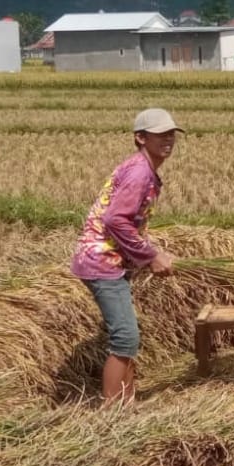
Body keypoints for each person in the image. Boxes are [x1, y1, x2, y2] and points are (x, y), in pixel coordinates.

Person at [70, 108, 181, 404]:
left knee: (128, 337)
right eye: (160, 134)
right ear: (140, 137)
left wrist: (150, 248)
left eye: (171, 133)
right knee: (125, 337)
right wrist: (151, 256)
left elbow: (127, 221)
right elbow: (115, 220)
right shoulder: (139, 172)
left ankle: (127, 404)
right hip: (101, 262)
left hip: (107, 259)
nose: (168, 139)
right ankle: (112, 414)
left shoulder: (142, 168)